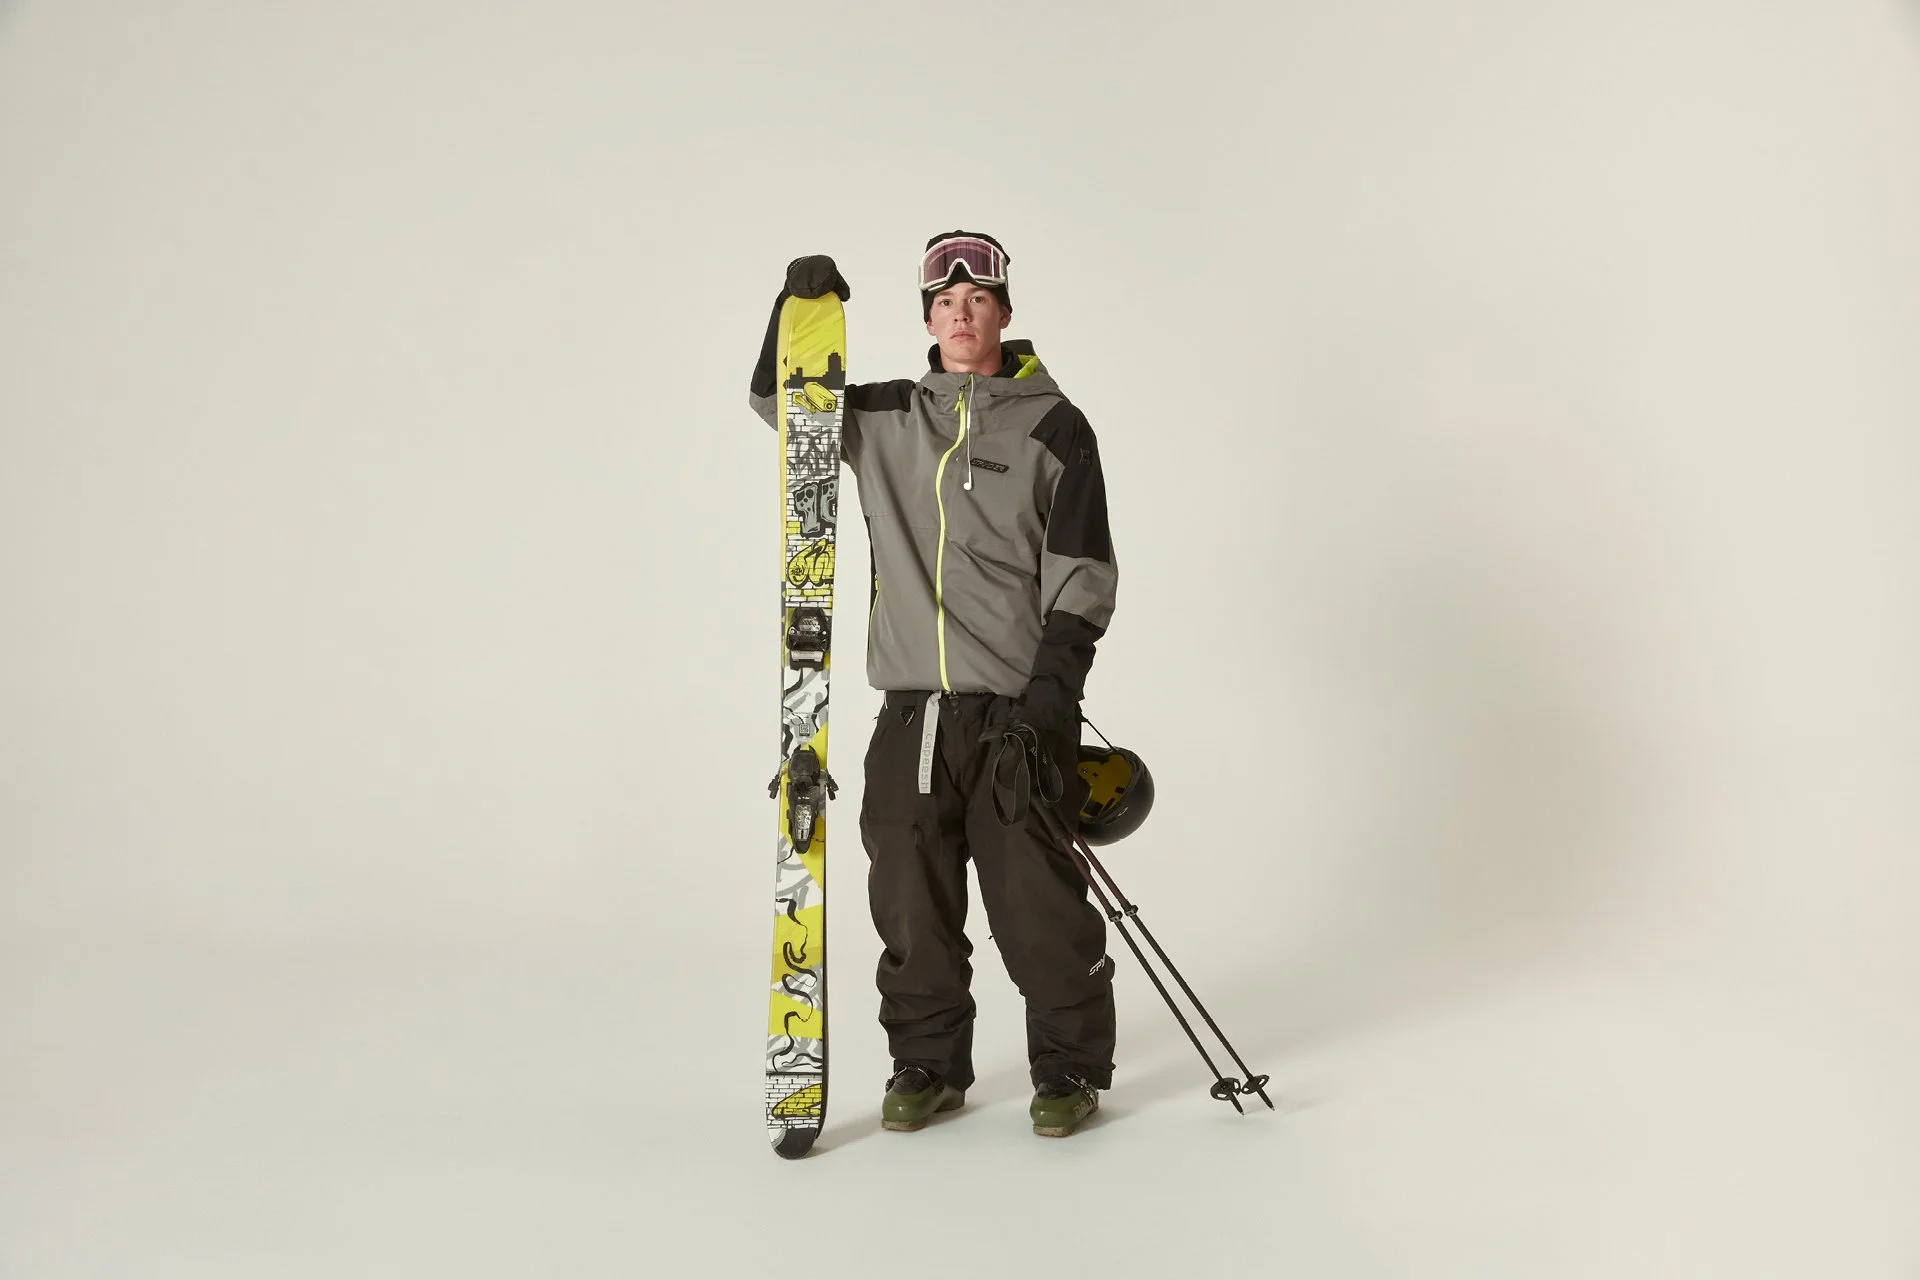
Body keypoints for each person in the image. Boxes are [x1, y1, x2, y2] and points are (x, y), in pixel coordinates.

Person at [748, 231, 1120, 1138]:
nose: (962, 314)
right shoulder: (885, 418)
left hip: (1017, 715)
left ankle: (1067, 1071)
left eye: (978, 301)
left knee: (1035, 903)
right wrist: (792, 313)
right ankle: (927, 1063)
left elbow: (1082, 576)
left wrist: (1050, 698)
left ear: (1002, 313)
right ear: (927, 318)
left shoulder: (1053, 425)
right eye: (946, 303)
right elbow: (781, 407)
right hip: (911, 713)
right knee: (908, 900)